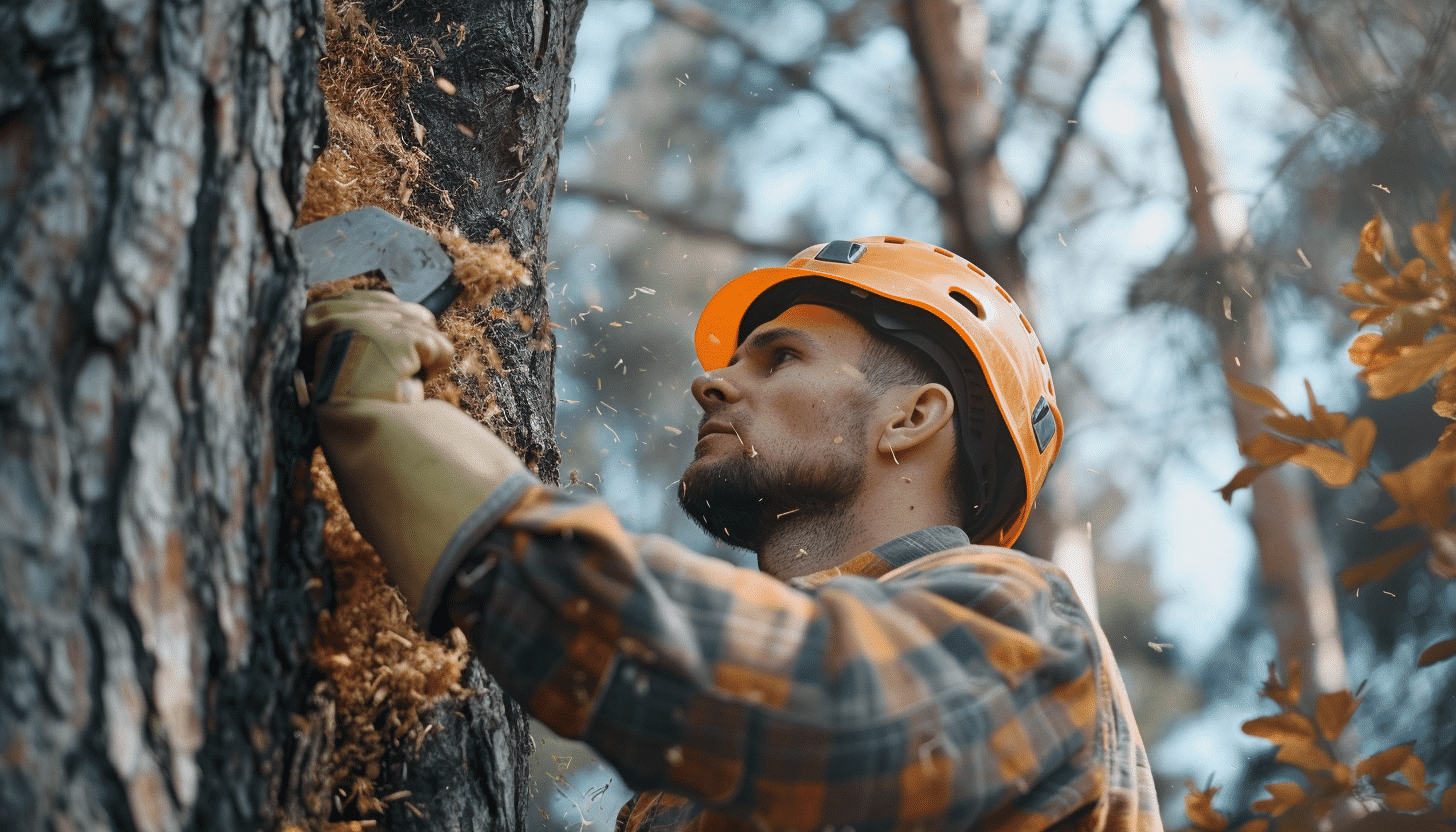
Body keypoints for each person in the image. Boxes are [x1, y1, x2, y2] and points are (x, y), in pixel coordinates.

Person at [302, 236, 1163, 832]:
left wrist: (396, 437)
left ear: (912, 417)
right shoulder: (700, 791)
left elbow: (799, 700)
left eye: (780, 358)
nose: (708, 383)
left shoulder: (1022, 627)